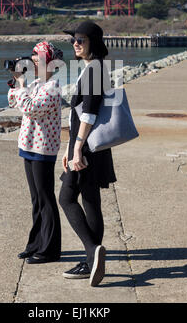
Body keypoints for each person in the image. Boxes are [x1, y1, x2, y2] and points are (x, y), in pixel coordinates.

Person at [59, 21, 117, 286]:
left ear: (93, 41)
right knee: (91, 199)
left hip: (87, 146)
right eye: (73, 40)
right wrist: (69, 146)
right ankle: (92, 259)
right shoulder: (96, 69)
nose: (75, 44)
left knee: (67, 197)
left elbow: (90, 114)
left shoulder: (95, 70)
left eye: (80, 39)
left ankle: (93, 252)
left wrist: (77, 148)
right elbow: (80, 114)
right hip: (89, 145)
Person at [8, 41, 63, 264]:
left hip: (43, 148)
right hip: (28, 146)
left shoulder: (53, 87)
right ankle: (35, 244)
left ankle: (50, 250)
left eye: (37, 60)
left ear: (50, 63)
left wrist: (22, 86)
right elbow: (14, 101)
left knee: (46, 198)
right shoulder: (37, 83)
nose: (33, 63)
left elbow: (31, 108)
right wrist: (17, 82)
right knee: (36, 199)